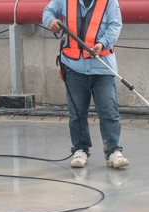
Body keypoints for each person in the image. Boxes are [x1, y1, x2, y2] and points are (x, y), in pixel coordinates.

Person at [42, 0, 129, 168]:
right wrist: (51, 21)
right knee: (77, 113)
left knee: (109, 111)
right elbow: (47, 12)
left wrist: (102, 43)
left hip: (102, 68)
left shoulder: (109, 2)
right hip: (74, 67)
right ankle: (80, 150)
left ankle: (113, 152)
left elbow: (115, 24)